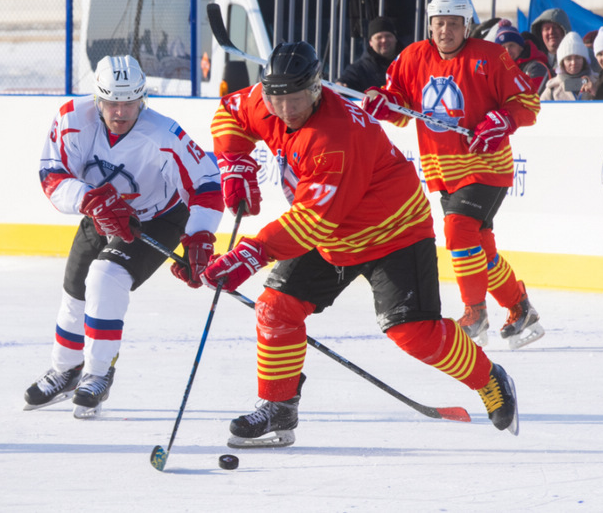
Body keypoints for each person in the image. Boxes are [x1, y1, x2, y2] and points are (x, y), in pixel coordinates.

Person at [205, 41, 519, 447]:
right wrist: (234, 163)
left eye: (296, 99)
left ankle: (488, 378)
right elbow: (230, 113)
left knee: (414, 332)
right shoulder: (269, 99)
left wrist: (252, 252)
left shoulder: (336, 135)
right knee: (276, 308)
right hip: (332, 235)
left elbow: (314, 219)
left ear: (316, 90)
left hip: (394, 234)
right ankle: (279, 408)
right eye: (276, 99)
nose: (285, 110)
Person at [24, 55, 224, 417]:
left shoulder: (164, 134)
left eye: (130, 102)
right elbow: (52, 174)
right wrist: (90, 200)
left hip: (158, 218)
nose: (121, 111)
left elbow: (208, 184)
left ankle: (97, 375)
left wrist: (199, 237)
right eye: (112, 102)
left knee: (106, 278)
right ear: (97, 99)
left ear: (142, 98)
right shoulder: (71, 118)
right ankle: (66, 369)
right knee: (75, 291)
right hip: (99, 211)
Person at [361, 0, 545, 350]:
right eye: (439, 24)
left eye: (453, 24)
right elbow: (400, 105)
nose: (445, 31)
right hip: (443, 172)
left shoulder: (490, 57)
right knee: (480, 250)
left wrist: (503, 119)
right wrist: (383, 103)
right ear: (430, 26)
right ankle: (520, 309)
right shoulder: (413, 56)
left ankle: (474, 313)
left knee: (458, 229)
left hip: (486, 167)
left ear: (466, 26)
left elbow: (528, 103)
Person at [336, 16, 403, 92]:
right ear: (370, 42)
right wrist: (340, 85)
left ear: (395, 38)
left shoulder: (408, 63)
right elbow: (345, 81)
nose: (384, 40)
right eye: (379, 37)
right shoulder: (360, 69)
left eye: (388, 36)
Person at [491, 19, 551, 94]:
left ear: (520, 47)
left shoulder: (536, 68)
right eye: (503, 47)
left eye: (511, 45)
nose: (507, 50)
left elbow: (534, 98)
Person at [540, 31, 598, 101]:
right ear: (562, 62)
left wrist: (596, 93)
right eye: (568, 59)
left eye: (578, 57)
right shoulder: (552, 89)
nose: (573, 62)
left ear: (584, 60)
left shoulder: (598, 83)